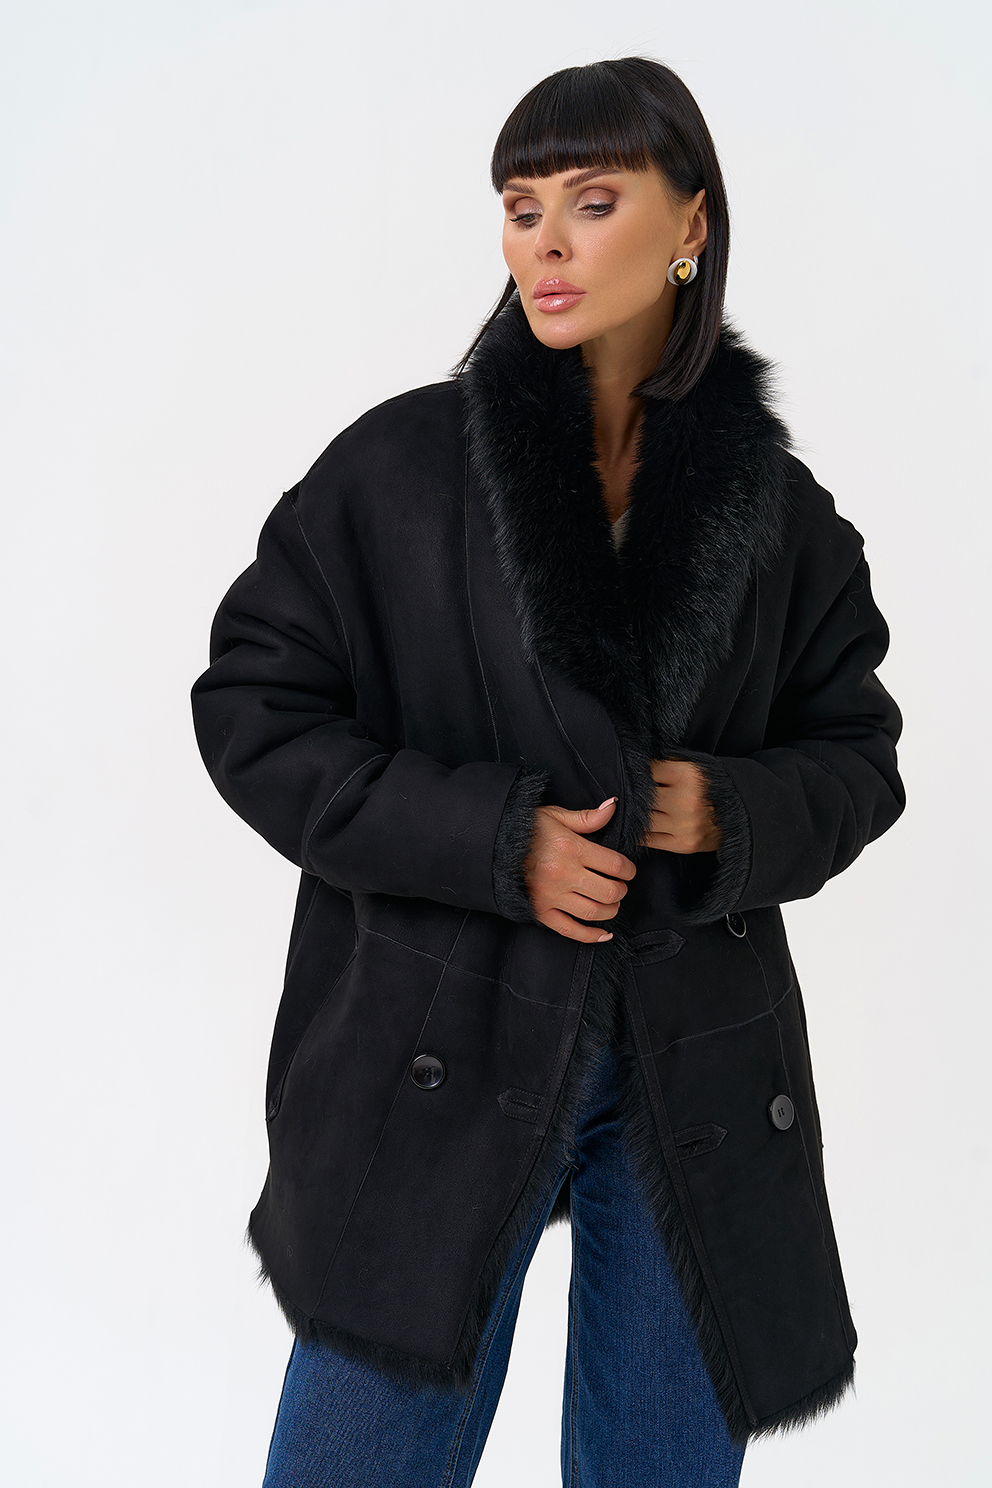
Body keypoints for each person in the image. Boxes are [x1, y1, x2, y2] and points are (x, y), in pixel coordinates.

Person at [190, 56, 905, 1487]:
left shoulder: (779, 514)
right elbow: (254, 707)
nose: (548, 245)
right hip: (441, 1032)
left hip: (694, 1057)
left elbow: (858, 752)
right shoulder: (404, 468)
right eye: (522, 210)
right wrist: (493, 838)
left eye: (592, 200)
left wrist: (734, 813)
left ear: (689, 223)